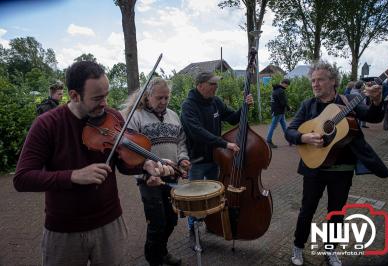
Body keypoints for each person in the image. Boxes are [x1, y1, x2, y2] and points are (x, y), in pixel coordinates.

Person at [14, 61, 174, 266]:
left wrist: (144, 166)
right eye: (98, 98)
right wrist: (73, 176)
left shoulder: (113, 117)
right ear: (74, 95)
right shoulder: (47, 124)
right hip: (64, 229)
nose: (105, 103)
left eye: (106, 95)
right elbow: (22, 178)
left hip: (110, 223)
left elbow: (123, 163)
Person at [285, 61, 388, 266]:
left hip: (341, 169)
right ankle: (298, 246)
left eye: (320, 80)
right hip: (314, 167)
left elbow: (372, 116)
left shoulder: (349, 100)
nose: (315, 84)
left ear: (333, 81)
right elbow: (291, 130)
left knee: (337, 211)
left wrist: (376, 101)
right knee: (307, 209)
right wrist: (303, 137)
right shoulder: (308, 105)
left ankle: (331, 250)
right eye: (313, 80)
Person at [180, 71, 253, 246]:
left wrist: (244, 106)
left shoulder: (216, 102)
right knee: (195, 200)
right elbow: (197, 132)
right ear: (200, 85)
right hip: (197, 161)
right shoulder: (188, 106)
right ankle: (193, 230)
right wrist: (223, 143)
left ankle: (211, 225)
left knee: (214, 196)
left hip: (215, 159)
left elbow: (232, 118)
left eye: (216, 83)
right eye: (212, 84)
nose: (216, 87)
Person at [124, 77, 190, 266]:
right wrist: (147, 169)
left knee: (171, 220)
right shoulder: (136, 117)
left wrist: (183, 159)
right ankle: (154, 259)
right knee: (157, 222)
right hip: (148, 179)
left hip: (171, 176)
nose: (163, 102)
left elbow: (181, 143)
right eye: (159, 98)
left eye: (166, 98)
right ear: (148, 96)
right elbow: (129, 151)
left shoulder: (174, 116)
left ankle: (162, 252)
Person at [266, 78, 291, 148]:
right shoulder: (281, 91)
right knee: (273, 126)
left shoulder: (275, 90)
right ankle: (268, 141)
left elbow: (274, 101)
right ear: (284, 83)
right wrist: (289, 108)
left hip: (277, 111)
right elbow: (283, 102)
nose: (287, 87)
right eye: (287, 85)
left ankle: (290, 139)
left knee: (284, 126)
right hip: (278, 112)